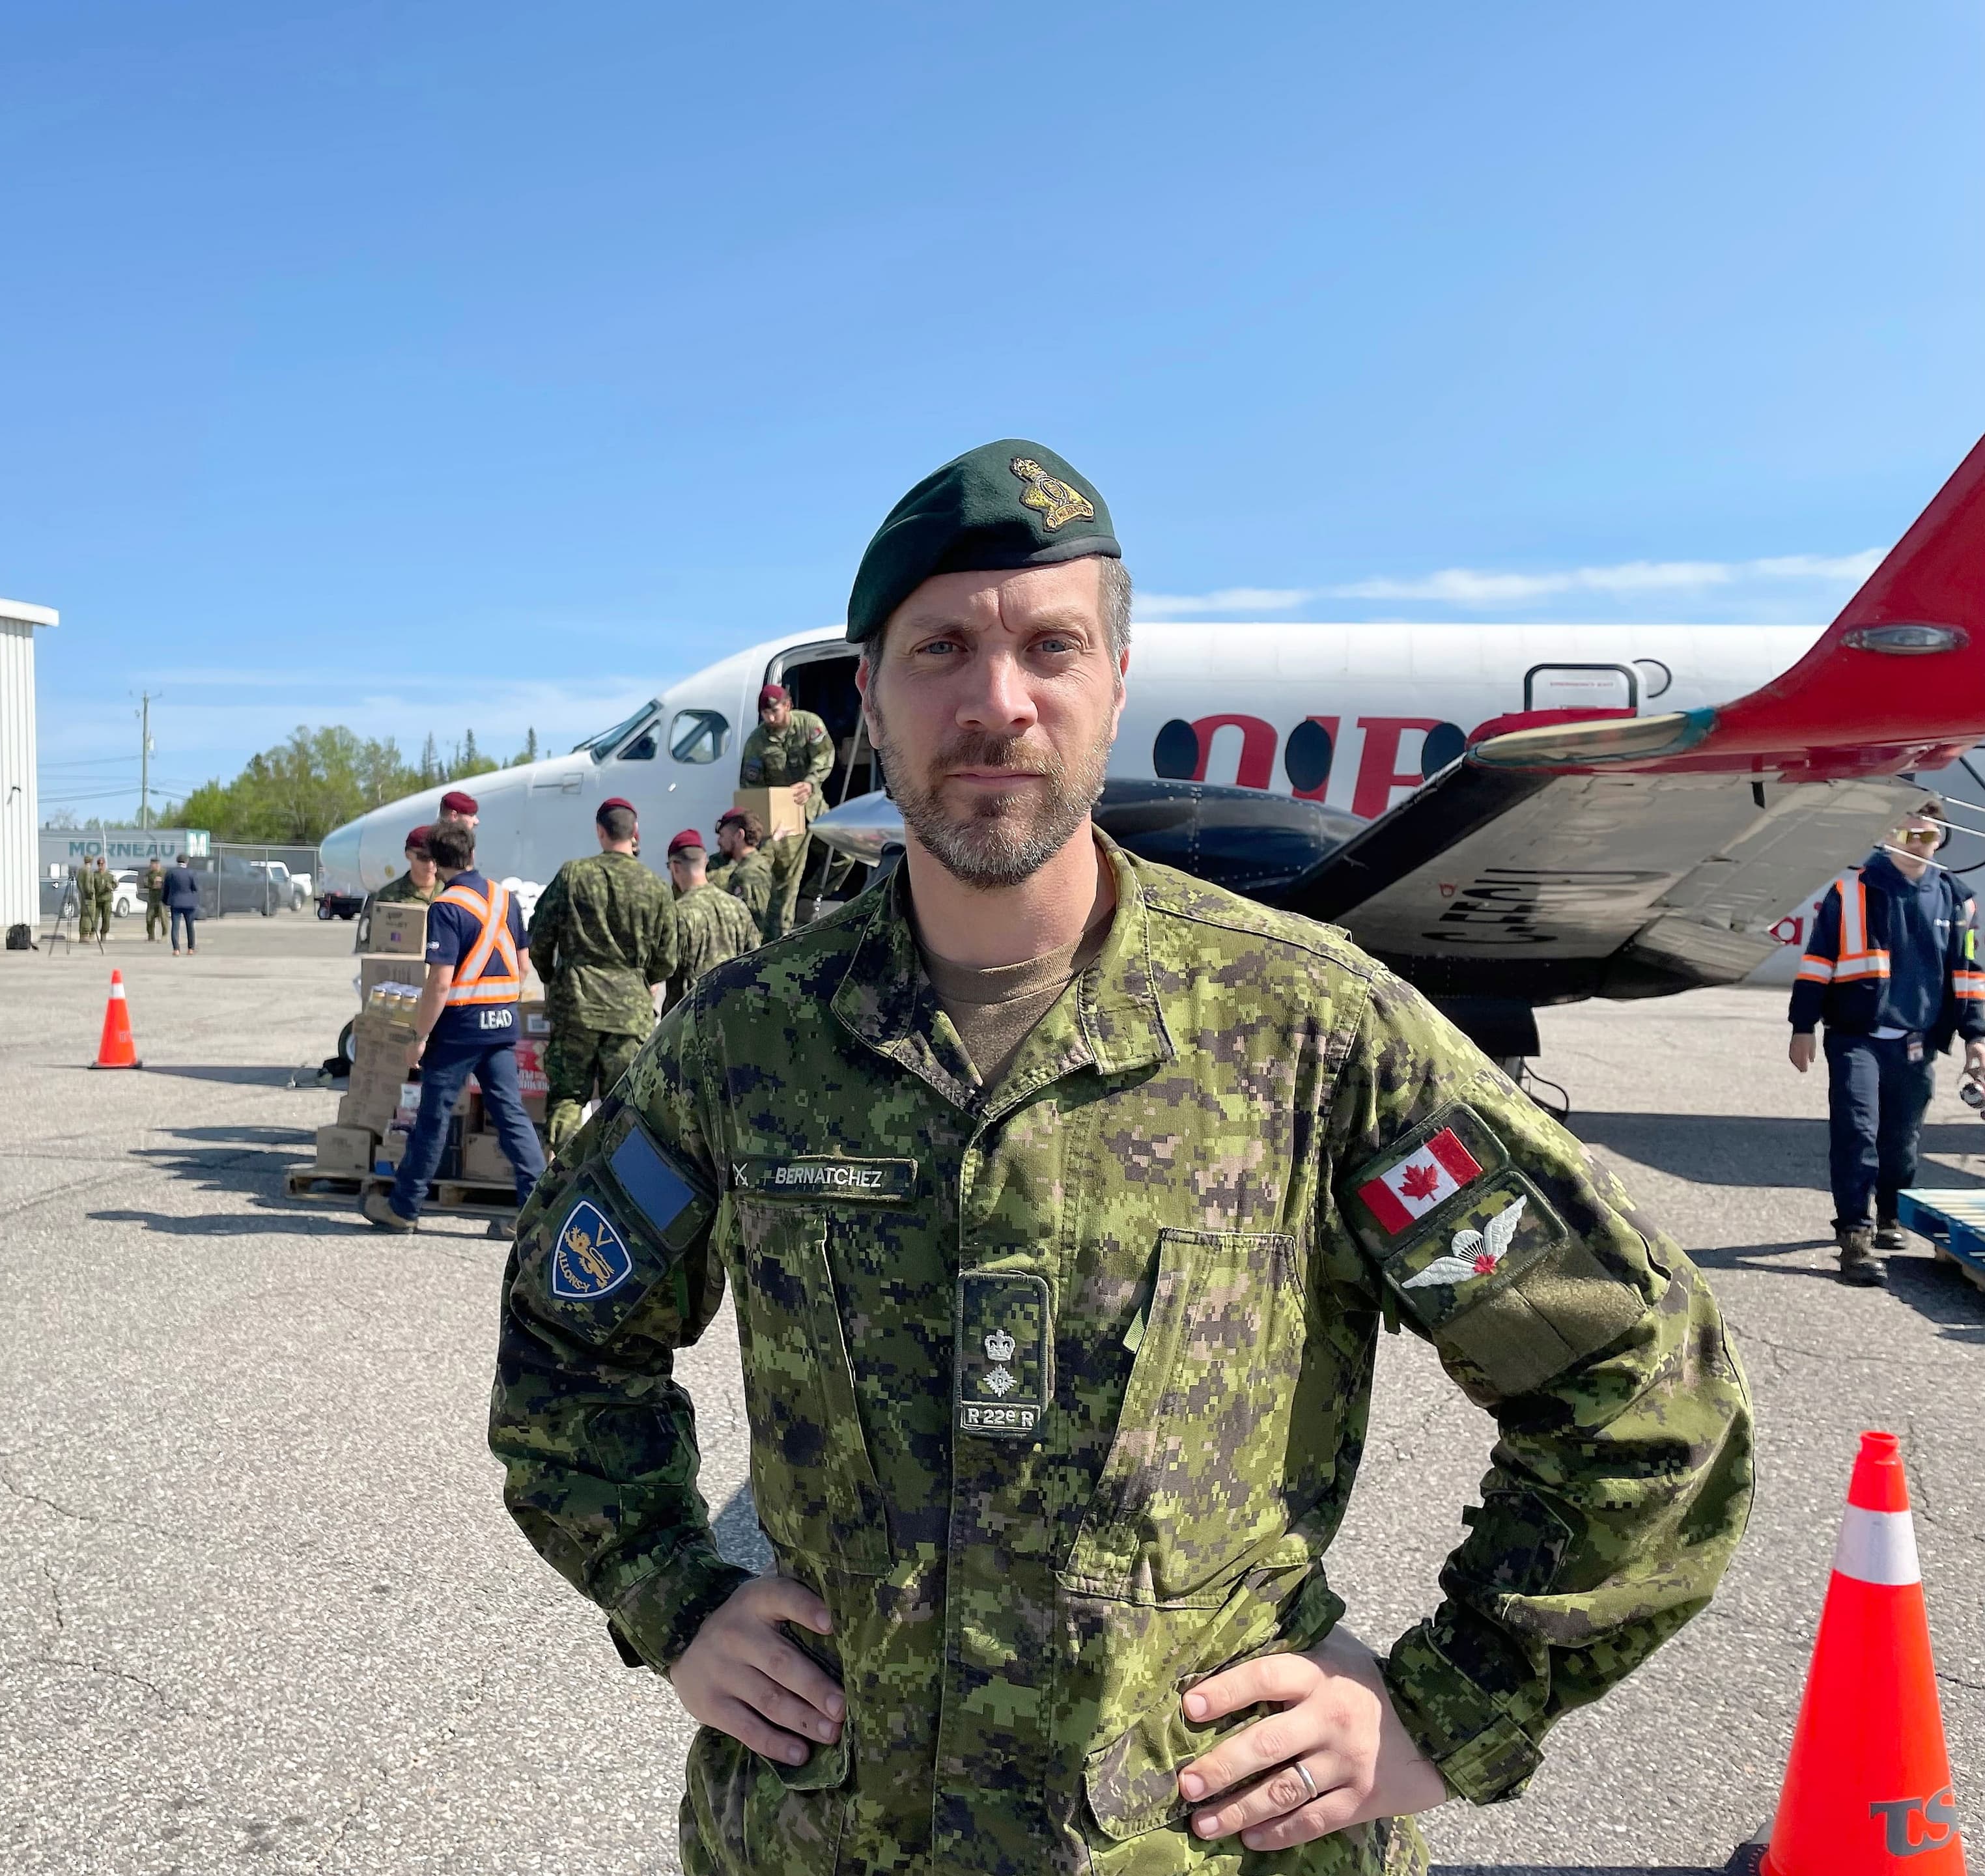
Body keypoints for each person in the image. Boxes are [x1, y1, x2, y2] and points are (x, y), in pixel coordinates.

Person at [488, 439, 1751, 1872]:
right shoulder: (743, 1044)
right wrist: (671, 1594)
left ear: (1116, 687)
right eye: (941, 648)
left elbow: (1646, 1391)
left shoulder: (1313, 1032)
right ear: (875, 702)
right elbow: (564, 1339)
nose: (997, 699)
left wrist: (1443, 1707)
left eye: (1050, 645)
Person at [1786, 799, 1985, 1285]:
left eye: (1927, 836)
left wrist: (1976, 1039)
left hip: (1916, 1043)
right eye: (1905, 833)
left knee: (1901, 1140)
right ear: (1887, 835)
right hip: (1857, 1036)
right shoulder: (1850, 891)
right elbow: (1817, 962)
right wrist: (1802, 1026)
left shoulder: (1960, 900)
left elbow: (1970, 974)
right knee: (1857, 1130)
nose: (1916, 844)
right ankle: (1855, 1236)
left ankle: (1892, 1212)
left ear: (1941, 839)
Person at [363, 824, 546, 1229]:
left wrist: (420, 1037)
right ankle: (534, 1214)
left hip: (460, 1029)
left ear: (436, 861)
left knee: (432, 1118)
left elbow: (441, 982)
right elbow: (523, 965)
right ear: (471, 854)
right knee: (512, 1114)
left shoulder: (446, 907)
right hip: (501, 1023)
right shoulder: (505, 899)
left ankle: (404, 1208)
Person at [526, 796, 676, 1149]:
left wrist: (552, 977)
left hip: (576, 1005)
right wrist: (642, 979)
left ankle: (560, 1182)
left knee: (567, 1097)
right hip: (629, 1013)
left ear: (600, 832)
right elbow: (668, 957)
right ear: (635, 834)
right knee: (624, 1105)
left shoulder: (574, 875)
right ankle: (618, 1187)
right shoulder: (655, 886)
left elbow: (540, 936)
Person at [740, 681, 835, 940]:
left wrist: (810, 782)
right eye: (766, 714)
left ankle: (812, 895)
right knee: (787, 878)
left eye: (775, 712)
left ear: (788, 706)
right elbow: (751, 786)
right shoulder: (758, 742)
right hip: (784, 815)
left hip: (814, 806)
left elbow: (824, 755)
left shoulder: (808, 724)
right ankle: (781, 937)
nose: (770, 718)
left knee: (841, 853)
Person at [662, 828, 758, 1011]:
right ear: (705, 862)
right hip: (733, 1011)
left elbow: (666, 968)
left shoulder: (678, 914)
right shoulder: (738, 908)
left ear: (675, 867)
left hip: (692, 1016)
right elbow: (755, 958)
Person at [706, 807, 775, 934]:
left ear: (739, 835)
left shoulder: (749, 874)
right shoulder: (753, 864)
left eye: (722, 836)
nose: (719, 842)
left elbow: (753, 926)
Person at [162, 852, 200, 954]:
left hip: (175, 902)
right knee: (190, 926)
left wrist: (165, 901)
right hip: (189, 903)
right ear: (187, 862)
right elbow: (195, 887)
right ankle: (191, 949)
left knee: (175, 926)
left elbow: (166, 889)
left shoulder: (171, 873)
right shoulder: (192, 873)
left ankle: (176, 949)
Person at [141, 856, 169, 946]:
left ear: (159, 864)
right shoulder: (149, 874)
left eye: (156, 864)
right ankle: (151, 935)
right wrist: (153, 884)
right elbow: (145, 883)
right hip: (152, 899)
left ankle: (165, 935)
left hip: (162, 899)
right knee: (149, 918)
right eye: (152, 864)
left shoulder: (165, 873)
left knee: (163, 918)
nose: (154, 866)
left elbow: (170, 884)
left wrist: (162, 883)